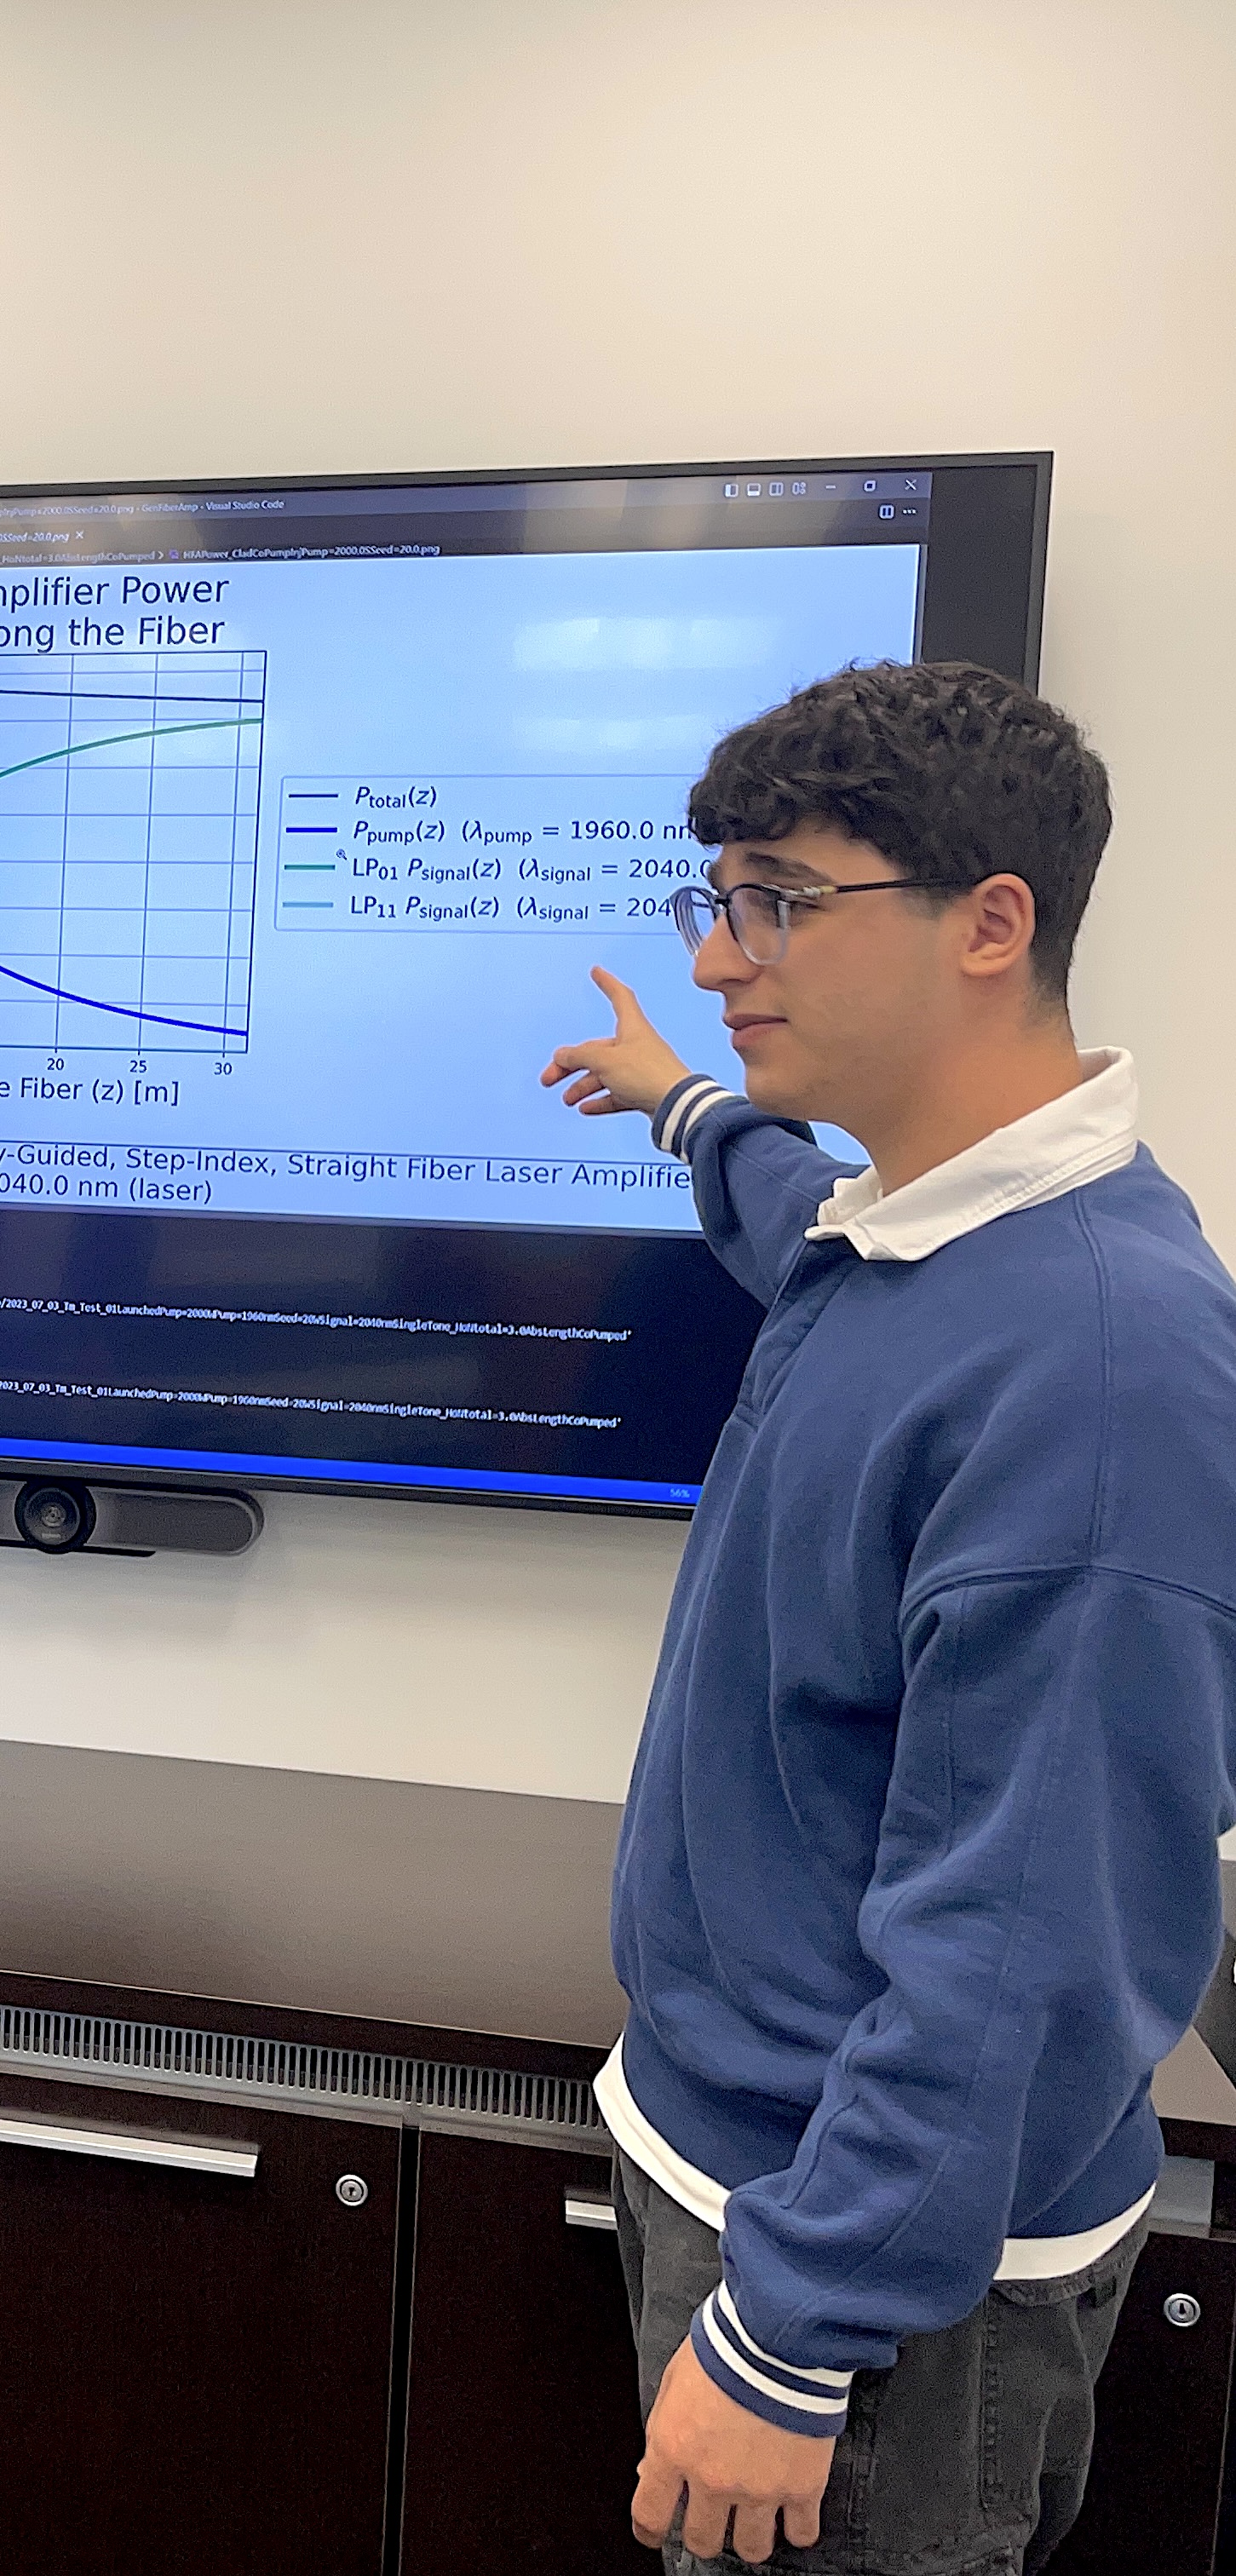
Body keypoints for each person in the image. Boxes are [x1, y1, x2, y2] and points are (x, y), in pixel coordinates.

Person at [538, 662, 1236, 2573]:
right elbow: (793, 1222)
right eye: (720, 900)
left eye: (778, 900)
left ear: (989, 926)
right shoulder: (915, 1241)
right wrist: (680, 1108)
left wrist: (786, 2335)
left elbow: (1032, 1934)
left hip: (875, 2287)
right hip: (765, 2173)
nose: (718, 957)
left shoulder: (1098, 1373)